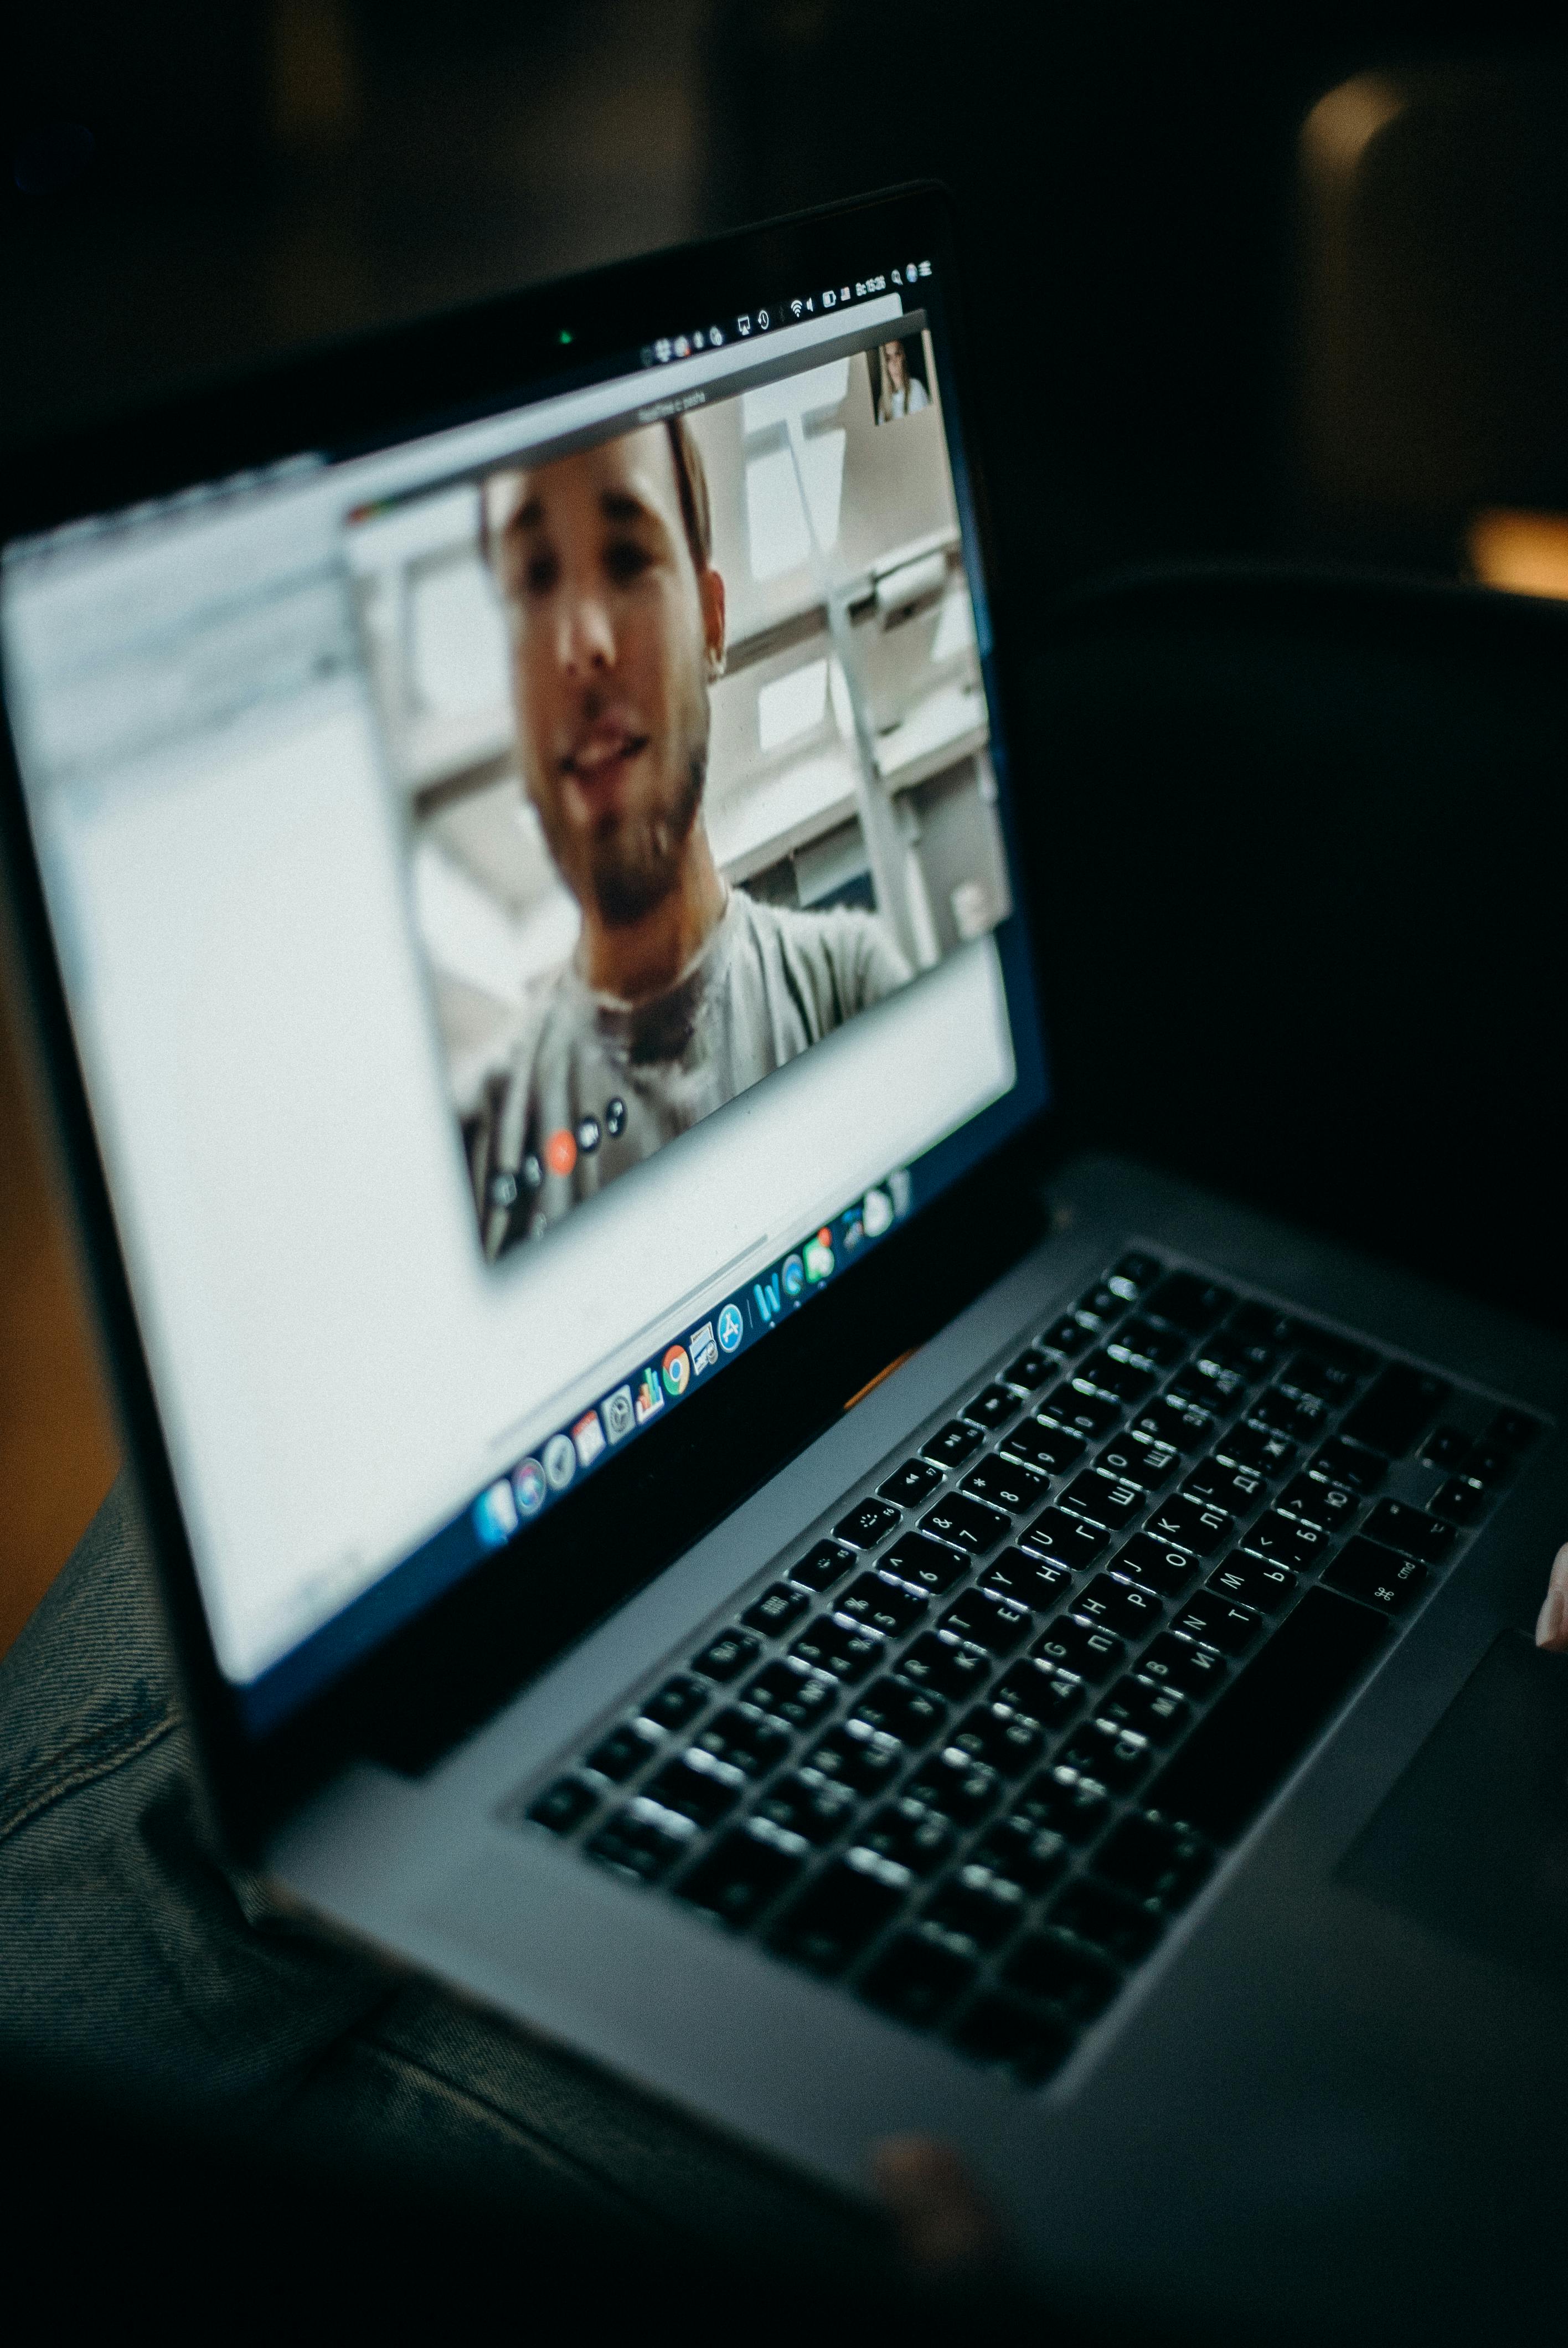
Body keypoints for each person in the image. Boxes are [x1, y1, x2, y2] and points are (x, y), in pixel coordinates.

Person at [466, 418, 911, 1263]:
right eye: (535, 579)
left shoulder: (848, 988)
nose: (582, 648)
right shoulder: (483, 1146)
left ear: (713, 623)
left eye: (629, 558)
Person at [876, 338, 930, 423]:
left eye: (897, 355)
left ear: (903, 356)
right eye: (888, 359)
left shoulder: (916, 387)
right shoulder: (883, 403)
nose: (894, 363)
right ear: (885, 364)